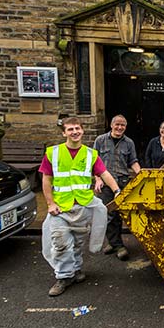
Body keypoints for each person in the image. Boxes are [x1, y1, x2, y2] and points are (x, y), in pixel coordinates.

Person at [40, 117, 120, 297]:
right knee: (60, 243)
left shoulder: (90, 154)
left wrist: (116, 190)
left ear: (82, 131)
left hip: (82, 205)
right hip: (60, 208)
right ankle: (63, 277)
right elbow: (46, 179)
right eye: (70, 129)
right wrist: (50, 203)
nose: (74, 132)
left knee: (77, 243)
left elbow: (104, 173)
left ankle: (75, 271)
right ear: (64, 133)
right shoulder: (53, 153)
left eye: (77, 128)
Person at [93, 115, 141, 261]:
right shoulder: (100, 140)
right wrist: (97, 179)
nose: (120, 128)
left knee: (120, 214)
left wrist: (142, 175)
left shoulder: (129, 143)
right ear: (111, 125)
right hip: (106, 184)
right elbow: (94, 161)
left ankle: (114, 243)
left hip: (123, 182)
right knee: (108, 214)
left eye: (123, 125)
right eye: (117, 124)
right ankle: (118, 245)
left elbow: (133, 161)